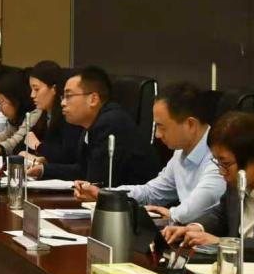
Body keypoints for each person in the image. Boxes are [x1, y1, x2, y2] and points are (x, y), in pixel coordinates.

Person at [162, 111, 254, 262]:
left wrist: (223, 243)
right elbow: (221, 214)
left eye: (225, 163)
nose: (221, 171)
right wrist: (194, 228)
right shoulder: (237, 177)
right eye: (217, 162)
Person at [73, 82, 223, 224]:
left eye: (162, 127)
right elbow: (152, 192)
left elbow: (199, 205)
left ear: (190, 124)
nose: (157, 134)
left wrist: (173, 215)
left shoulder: (219, 156)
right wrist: (105, 194)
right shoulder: (181, 151)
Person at [31, 66, 158, 185]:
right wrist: (44, 170)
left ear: (93, 99)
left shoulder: (110, 124)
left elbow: (97, 181)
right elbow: (83, 170)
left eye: (68, 96)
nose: (63, 103)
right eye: (63, 97)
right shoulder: (93, 124)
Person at [0, 66, 36, 155]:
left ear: (14, 99)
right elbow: (5, 135)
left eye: (1, 102)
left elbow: (15, 142)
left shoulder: (34, 114)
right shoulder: (16, 116)